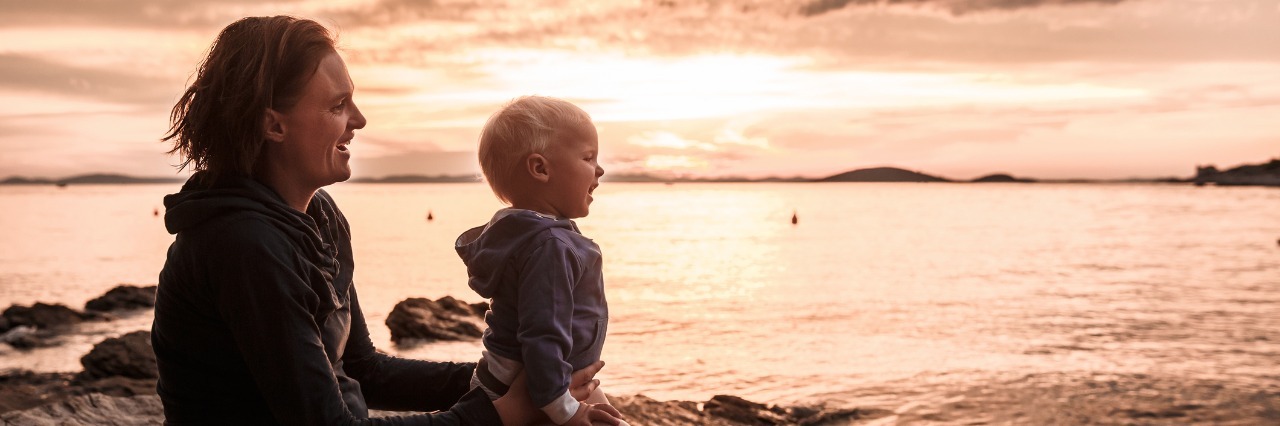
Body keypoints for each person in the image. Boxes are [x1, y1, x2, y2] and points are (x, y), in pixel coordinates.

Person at [151, 16, 608, 425]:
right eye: (337, 106)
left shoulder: (319, 217)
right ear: (274, 126)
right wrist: (499, 412)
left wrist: (497, 380)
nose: (360, 120)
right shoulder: (243, 246)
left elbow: (364, 370)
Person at [455, 96, 625, 426]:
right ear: (540, 168)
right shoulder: (549, 245)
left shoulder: (526, 235)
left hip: (548, 381)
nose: (600, 169)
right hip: (537, 391)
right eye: (588, 157)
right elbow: (542, 336)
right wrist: (566, 412)